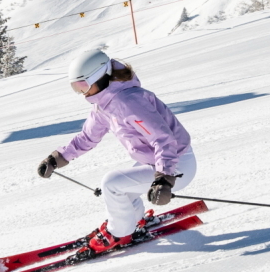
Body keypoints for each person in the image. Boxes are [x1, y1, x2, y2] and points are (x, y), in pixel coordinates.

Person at [36, 47, 196, 254]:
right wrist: (56, 159)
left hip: (176, 164)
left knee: (112, 183)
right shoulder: (103, 105)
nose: (81, 92)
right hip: (157, 164)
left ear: (99, 77)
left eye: (82, 85)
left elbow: (163, 139)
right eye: (75, 87)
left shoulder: (129, 101)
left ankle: (119, 233)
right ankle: (131, 222)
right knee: (123, 192)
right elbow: (87, 137)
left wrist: (164, 178)